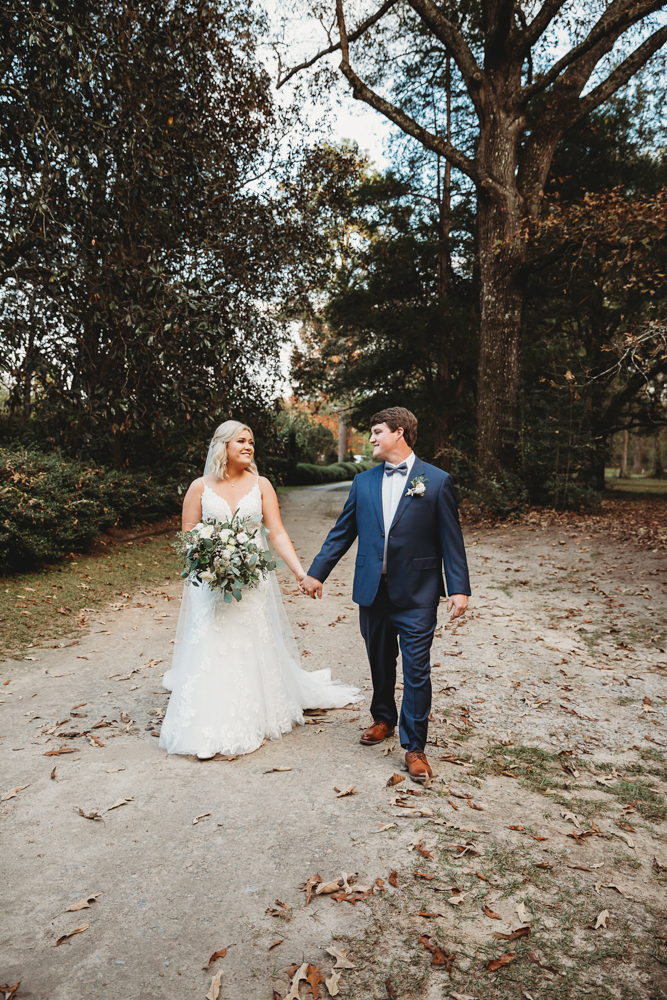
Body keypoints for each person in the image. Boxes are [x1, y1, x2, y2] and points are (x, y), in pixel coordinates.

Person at [159, 420, 361, 759]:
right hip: (211, 583)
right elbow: (189, 534)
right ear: (223, 445)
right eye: (240, 440)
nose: (248, 446)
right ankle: (208, 722)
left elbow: (277, 532)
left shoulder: (261, 484)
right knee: (212, 643)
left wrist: (300, 572)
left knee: (250, 641)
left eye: (251, 441)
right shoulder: (199, 487)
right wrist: (211, 555)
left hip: (252, 582)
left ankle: (251, 714)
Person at [300, 407, 470, 783]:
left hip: (418, 593)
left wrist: (458, 587)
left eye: (377, 432)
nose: (372, 439)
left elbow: (451, 540)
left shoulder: (437, 481)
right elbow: (342, 533)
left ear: (399, 433)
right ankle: (383, 719)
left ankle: (415, 748)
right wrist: (316, 572)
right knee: (379, 661)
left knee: (416, 670)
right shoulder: (362, 483)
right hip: (372, 592)